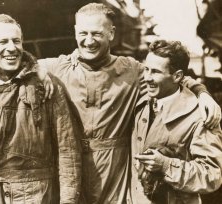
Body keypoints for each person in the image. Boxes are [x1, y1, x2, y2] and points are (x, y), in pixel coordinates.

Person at [38, 3, 221, 204]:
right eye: (83, 33)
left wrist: (201, 92)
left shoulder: (130, 70)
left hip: (115, 176)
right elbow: (15, 66)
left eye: (97, 34)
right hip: (69, 168)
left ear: (111, 33)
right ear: (75, 32)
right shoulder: (55, 67)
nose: (89, 41)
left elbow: (169, 77)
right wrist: (35, 71)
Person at [0, 14, 82, 204]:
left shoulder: (46, 86)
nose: (12, 48)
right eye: (3, 41)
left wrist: (68, 200)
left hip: (36, 196)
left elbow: (68, 150)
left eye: (16, 41)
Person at [130, 40, 222, 204]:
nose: (147, 78)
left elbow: (212, 175)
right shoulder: (144, 98)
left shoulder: (201, 116)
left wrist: (166, 165)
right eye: (146, 69)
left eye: (155, 72)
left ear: (178, 76)